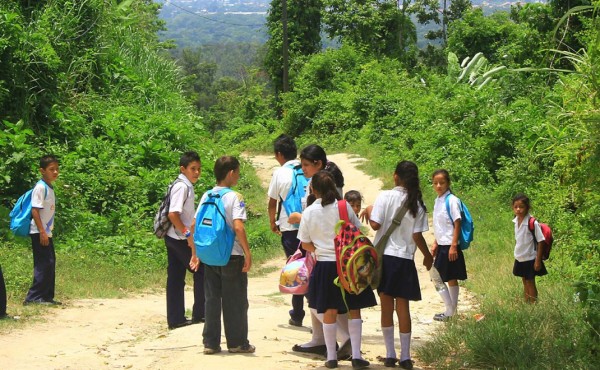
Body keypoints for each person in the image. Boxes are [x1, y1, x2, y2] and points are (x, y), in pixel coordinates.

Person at [298, 171, 375, 369]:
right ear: (333, 187)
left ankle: (331, 357)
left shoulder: (308, 213)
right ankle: (356, 356)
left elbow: (305, 243)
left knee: (329, 310)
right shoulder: (344, 207)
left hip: (324, 266)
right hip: (348, 264)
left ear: (314, 190)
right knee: (354, 309)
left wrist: (319, 249)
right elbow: (357, 230)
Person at [361, 161, 434, 370]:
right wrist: (427, 256)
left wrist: (369, 208)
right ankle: (406, 356)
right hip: (405, 259)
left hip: (386, 258)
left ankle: (390, 354)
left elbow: (375, 225)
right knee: (403, 308)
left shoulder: (385, 196)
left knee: (386, 307)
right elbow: (417, 235)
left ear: (395, 176)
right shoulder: (417, 203)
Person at [289, 144, 351, 360]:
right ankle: (319, 338)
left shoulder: (324, 186)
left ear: (318, 164)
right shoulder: (324, 182)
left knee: (318, 298)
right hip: (321, 249)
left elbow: (324, 217)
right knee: (322, 296)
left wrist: (300, 217)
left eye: (306, 165)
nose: (303, 169)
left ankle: (345, 338)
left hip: (322, 252)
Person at [198, 156, 255, 354]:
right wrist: (247, 253)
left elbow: (194, 224)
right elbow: (238, 226)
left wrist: (196, 252)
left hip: (210, 254)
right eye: (237, 172)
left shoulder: (206, 195)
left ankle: (210, 343)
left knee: (212, 299)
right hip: (232, 255)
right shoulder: (234, 197)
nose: (238, 176)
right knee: (236, 300)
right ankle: (237, 343)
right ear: (230, 173)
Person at [267, 134, 305, 326]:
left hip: (289, 227)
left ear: (280, 154)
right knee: (312, 265)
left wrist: (272, 222)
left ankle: (297, 313)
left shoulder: (280, 173)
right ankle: (317, 307)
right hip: (310, 225)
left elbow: (272, 202)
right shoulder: (306, 168)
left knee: (295, 267)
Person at [164, 151, 203, 330]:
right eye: (192, 169)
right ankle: (200, 314)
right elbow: (173, 214)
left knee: (175, 277)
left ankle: (176, 318)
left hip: (173, 236)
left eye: (198, 169)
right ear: (183, 169)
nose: (196, 173)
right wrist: (188, 235)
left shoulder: (183, 184)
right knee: (201, 271)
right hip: (180, 238)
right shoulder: (182, 186)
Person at [430, 169, 468, 321]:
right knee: (449, 278)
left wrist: (453, 245)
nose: (438, 186)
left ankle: (450, 310)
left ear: (448, 183)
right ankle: (451, 310)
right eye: (435, 183)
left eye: (442, 182)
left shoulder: (452, 200)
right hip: (442, 245)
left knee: (437, 277)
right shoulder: (437, 200)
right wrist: (435, 242)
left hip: (449, 245)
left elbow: (456, 223)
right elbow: (440, 225)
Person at [24, 155, 61, 306]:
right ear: (42, 170)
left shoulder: (49, 187)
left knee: (50, 262)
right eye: (51, 169)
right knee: (43, 263)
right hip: (40, 232)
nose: (55, 172)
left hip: (46, 232)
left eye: (57, 169)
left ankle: (46, 297)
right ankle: (33, 298)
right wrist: (42, 232)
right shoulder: (40, 187)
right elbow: (35, 211)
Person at [511, 193, 547, 303]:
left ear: (527, 207)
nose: (518, 209)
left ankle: (533, 304)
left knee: (530, 281)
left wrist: (537, 260)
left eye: (521, 207)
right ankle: (527, 301)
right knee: (524, 280)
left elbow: (541, 241)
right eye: (516, 207)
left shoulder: (532, 223)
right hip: (520, 257)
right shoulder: (515, 221)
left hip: (530, 258)